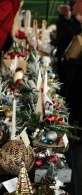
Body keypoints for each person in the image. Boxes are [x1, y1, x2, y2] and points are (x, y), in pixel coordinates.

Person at [55, 0, 82, 132]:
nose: (79, 17)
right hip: (71, 68)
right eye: (78, 14)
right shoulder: (69, 26)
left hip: (76, 68)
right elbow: (61, 44)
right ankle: (69, 124)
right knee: (71, 96)